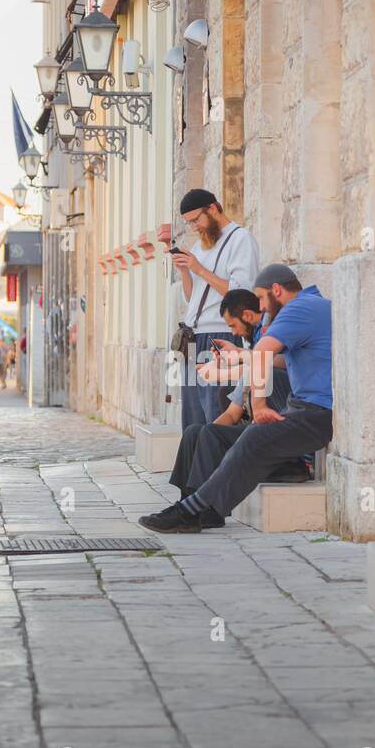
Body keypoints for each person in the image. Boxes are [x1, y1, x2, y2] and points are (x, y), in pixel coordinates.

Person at [140, 264, 332, 534]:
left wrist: (259, 405)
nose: (261, 307)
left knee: (254, 437)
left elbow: (265, 353)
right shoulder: (309, 307)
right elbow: (276, 359)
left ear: (276, 290)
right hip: (298, 410)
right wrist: (241, 355)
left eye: (263, 298)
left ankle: (192, 512)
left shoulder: (300, 307)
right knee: (220, 435)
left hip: (315, 415)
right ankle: (197, 507)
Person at [167, 289, 309, 529]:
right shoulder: (255, 357)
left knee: (210, 435)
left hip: (282, 445)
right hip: (256, 433)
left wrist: (225, 370)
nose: (232, 333)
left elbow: (271, 367)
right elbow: (232, 413)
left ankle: (208, 510)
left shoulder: (274, 358)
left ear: (248, 316)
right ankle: (186, 504)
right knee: (195, 431)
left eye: (232, 326)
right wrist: (205, 432)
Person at [171, 188, 261, 430]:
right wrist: (185, 272)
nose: (194, 228)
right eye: (188, 223)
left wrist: (199, 269)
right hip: (193, 337)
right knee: (193, 416)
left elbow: (242, 294)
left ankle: (219, 466)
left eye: (195, 220)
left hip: (221, 336)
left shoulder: (240, 239)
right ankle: (196, 465)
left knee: (216, 411)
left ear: (213, 208)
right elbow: (192, 300)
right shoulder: (202, 246)